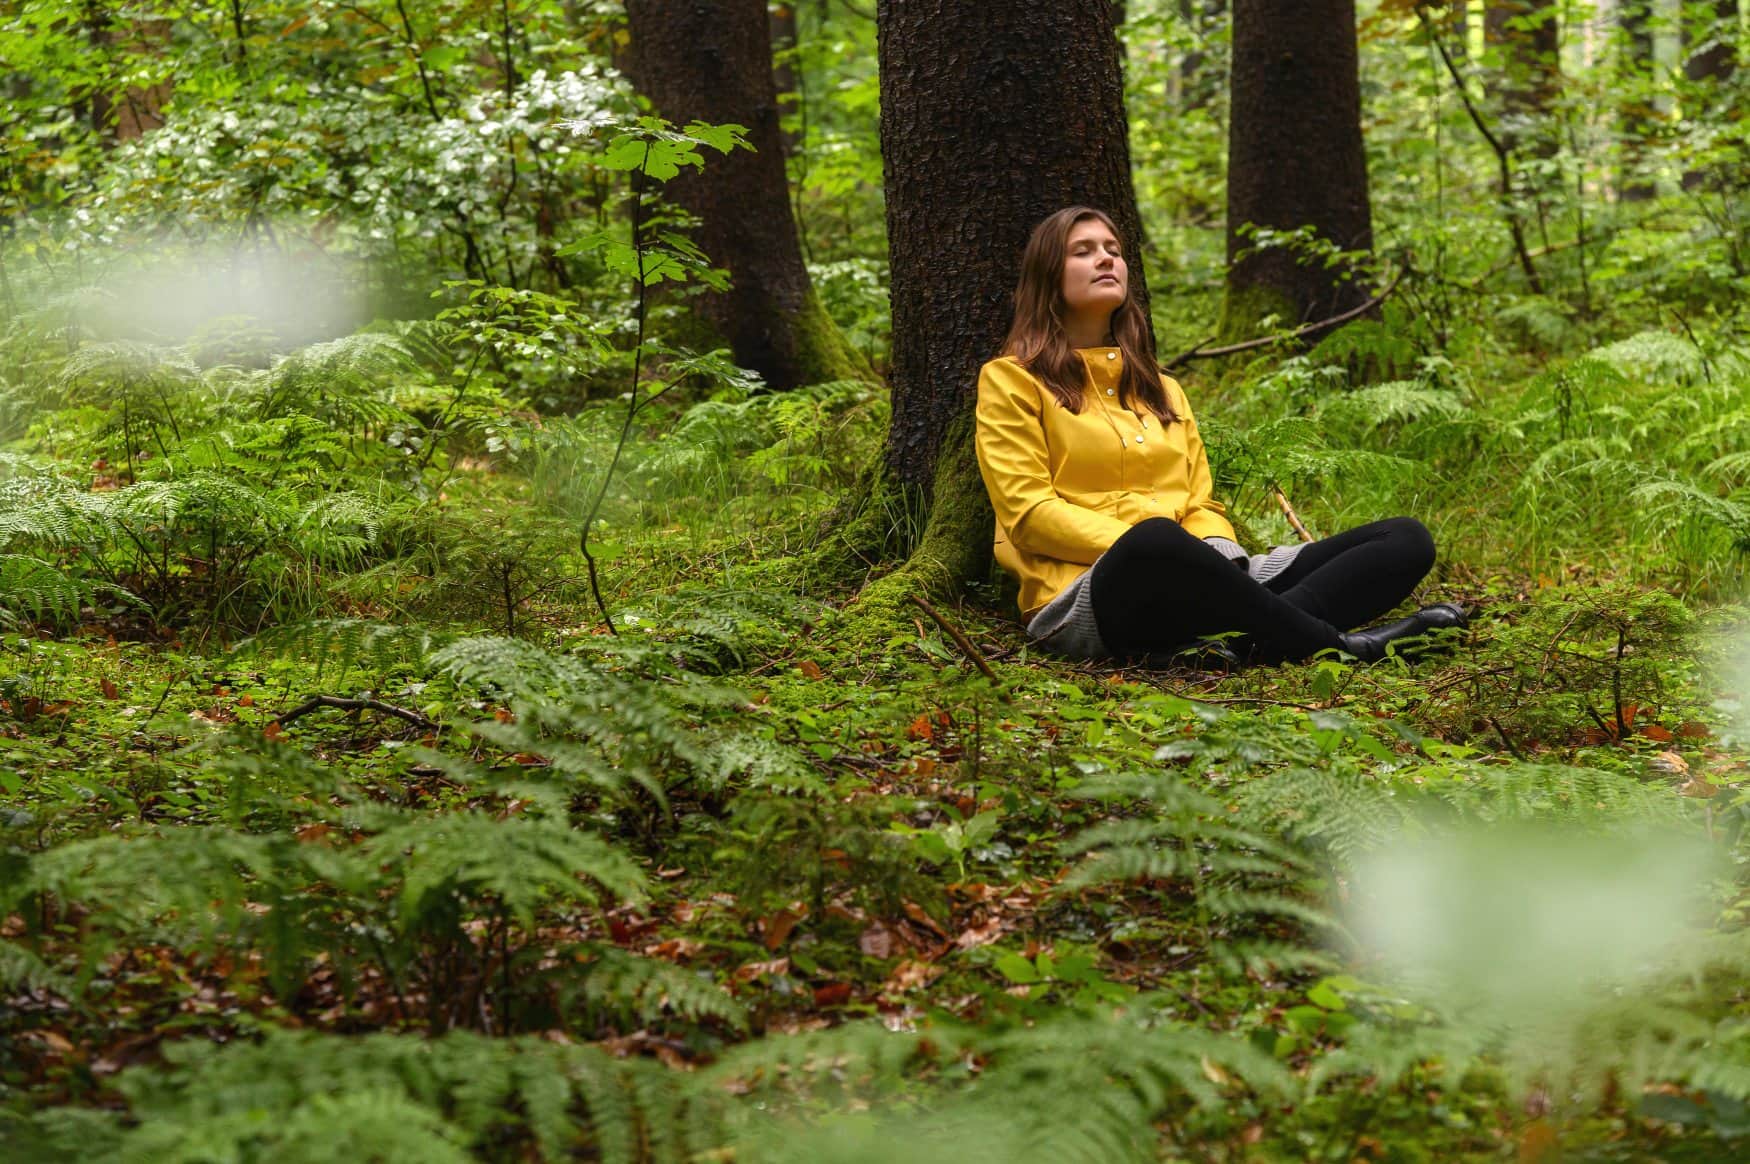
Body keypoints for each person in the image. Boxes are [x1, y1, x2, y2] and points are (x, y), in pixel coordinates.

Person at [974, 206, 1466, 665]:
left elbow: (1200, 504)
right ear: (1047, 277)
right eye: (1082, 251)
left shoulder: (1161, 388)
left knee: (1404, 538)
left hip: (1202, 576)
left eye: (1114, 250)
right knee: (1154, 542)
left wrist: (1217, 556)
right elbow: (1029, 515)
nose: (1106, 257)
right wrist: (1165, 554)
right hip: (1094, 589)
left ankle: (1246, 637)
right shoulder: (1013, 380)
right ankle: (1337, 647)